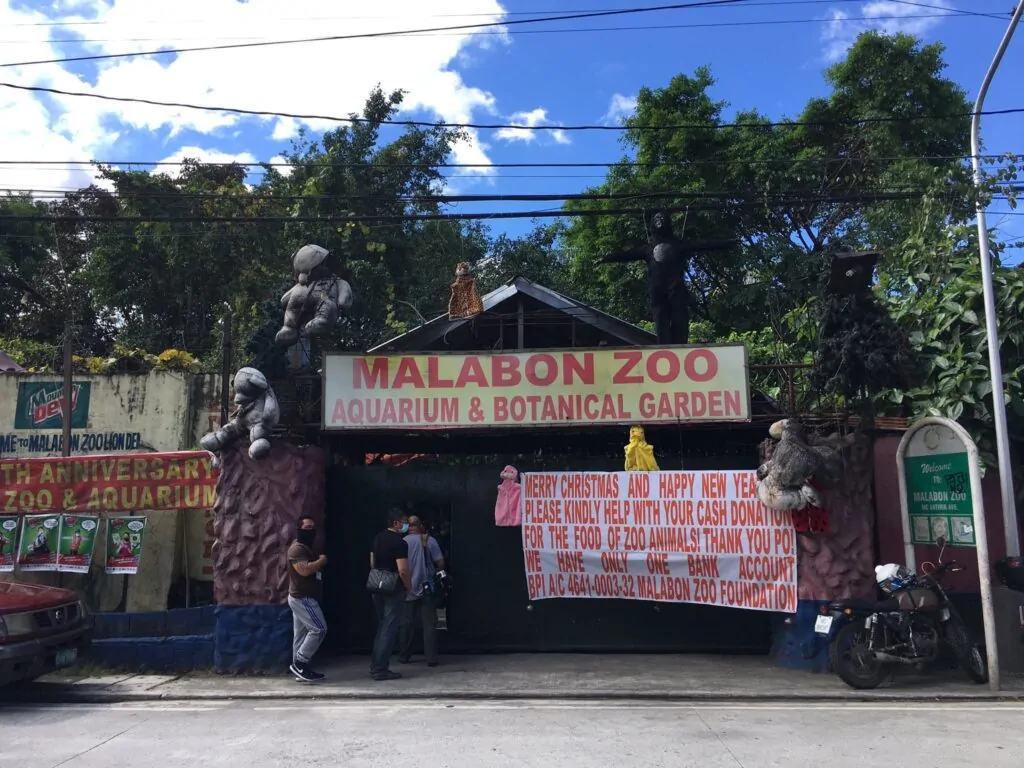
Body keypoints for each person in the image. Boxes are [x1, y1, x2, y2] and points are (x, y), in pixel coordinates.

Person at [369, 511, 411, 681]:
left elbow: (372, 562)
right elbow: (403, 569)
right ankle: (380, 668)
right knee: (389, 627)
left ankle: (376, 664)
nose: (406, 525)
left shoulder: (378, 538)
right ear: (396, 523)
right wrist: (408, 586)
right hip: (394, 587)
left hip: (377, 585)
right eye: (404, 522)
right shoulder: (400, 543)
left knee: (382, 626)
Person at [398, 515, 445, 667]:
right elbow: (440, 563)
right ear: (420, 525)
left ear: (408, 526)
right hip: (426, 588)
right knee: (429, 624)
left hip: (407, 588)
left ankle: (404, 655)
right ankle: (431, 658)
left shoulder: (402, 542)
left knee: (406, 623)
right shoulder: (429, 541)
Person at [287, 515, 328, 683]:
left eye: (313, 527)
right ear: (299, 529)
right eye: (307, 527)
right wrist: (321, 561)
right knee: (319, 629)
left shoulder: (307, 548)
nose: (311, 531)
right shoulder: (296, 549)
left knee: (301, 634)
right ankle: (300, 662)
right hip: (302, 598)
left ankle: (300, 669)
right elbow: (303, 570)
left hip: (305, 596)